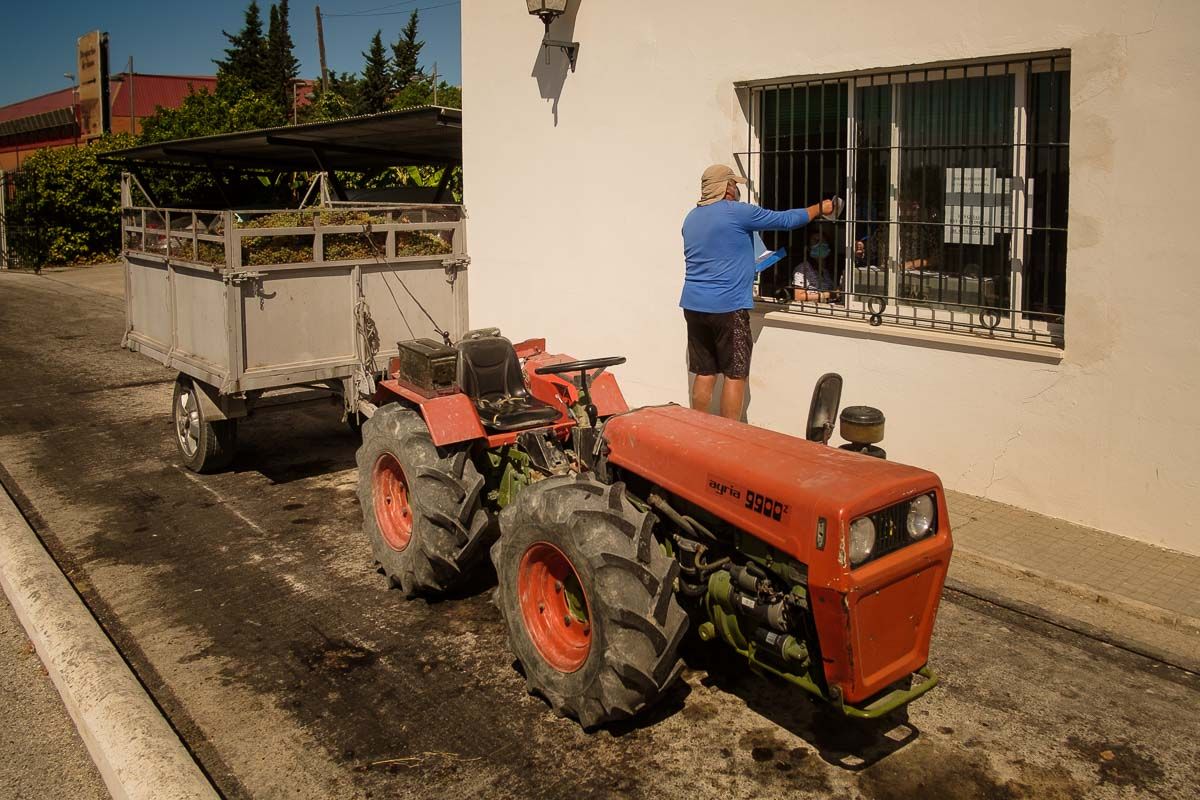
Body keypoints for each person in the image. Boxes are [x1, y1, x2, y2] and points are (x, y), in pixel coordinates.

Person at [680, 164, 840, 420]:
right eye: (734, 184)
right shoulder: (735, 212)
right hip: (728, 307)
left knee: (705, 371)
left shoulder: (691, 218)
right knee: (735, 373)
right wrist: (820, 208)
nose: (736, 189)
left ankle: (698, 428)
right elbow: (785, 220)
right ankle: (729, 436)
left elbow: (717, 253)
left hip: (694, 305)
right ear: (727, 187)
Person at [793, 225, 839, 303]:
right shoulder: (803, 268)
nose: (821, 244)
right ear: (808, 247)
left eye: (823, 241)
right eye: (816, 241)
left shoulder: (827, 269)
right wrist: (827, 295)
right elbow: (798, 296)